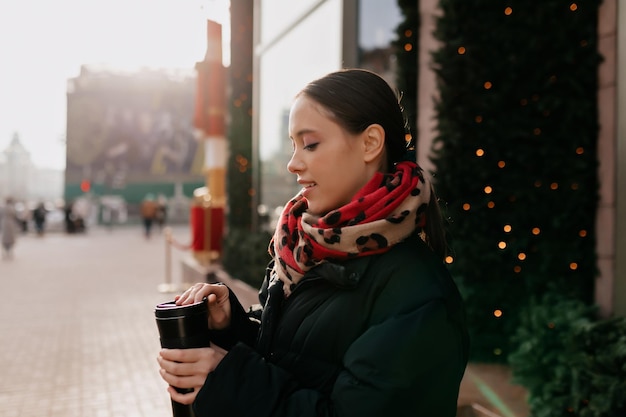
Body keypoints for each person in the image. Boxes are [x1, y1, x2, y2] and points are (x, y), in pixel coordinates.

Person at [157, 69, 469, 416]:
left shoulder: (417, 294)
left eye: (311, 144)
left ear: (370, 143)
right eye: (293, 145)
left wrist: (230, 377)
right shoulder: (304, 247)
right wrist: (233, 326)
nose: (293, 163)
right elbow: (298, 355)